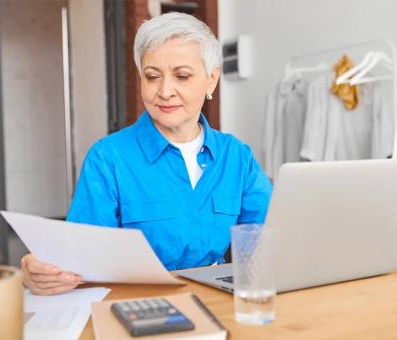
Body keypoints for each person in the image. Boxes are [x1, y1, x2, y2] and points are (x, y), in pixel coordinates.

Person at [21, 12, 272, 295]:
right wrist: (41, 270)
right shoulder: (107, 159)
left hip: (216, 301)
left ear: (211, 80)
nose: (165, 91)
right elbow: (79, 258)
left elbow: (266, 242)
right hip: (136, 304)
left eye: (182, 76)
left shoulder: (236, 156)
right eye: (152, 77)